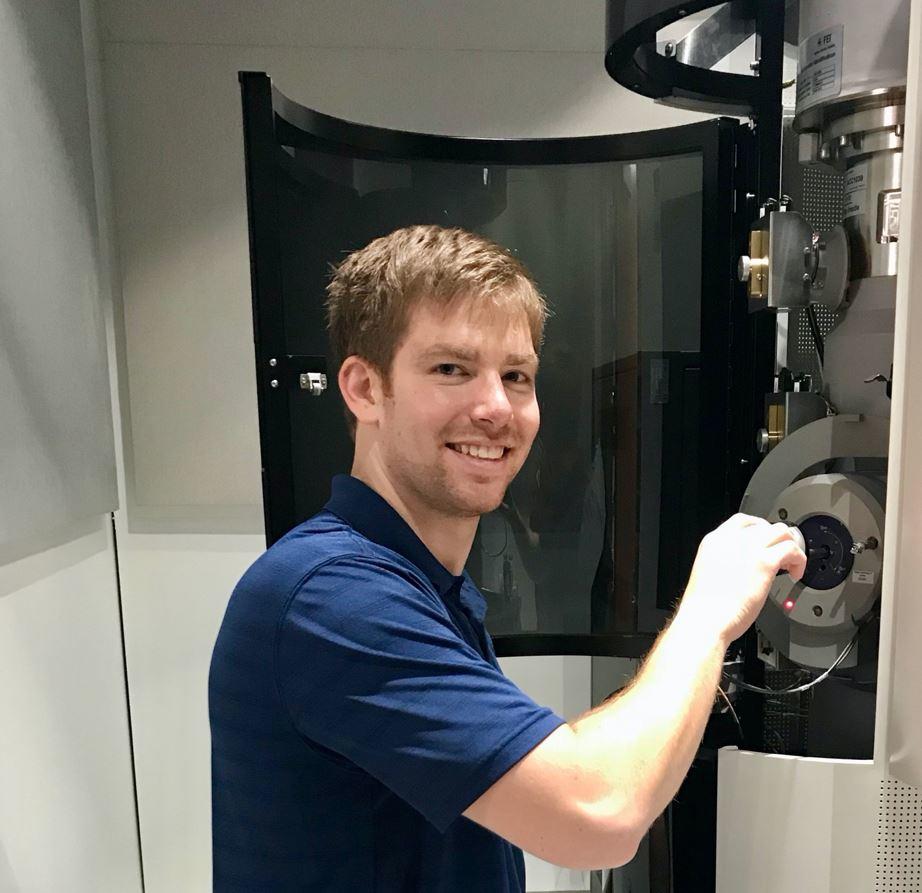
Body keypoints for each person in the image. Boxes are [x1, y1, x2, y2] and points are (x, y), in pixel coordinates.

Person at [209, 225, 806, 892]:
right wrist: (707, 612)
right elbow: (601, 811)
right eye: (452, 369)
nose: (497, 407)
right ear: (363, 388)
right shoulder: (330, 596)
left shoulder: (423, 584)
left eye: (517, 376)